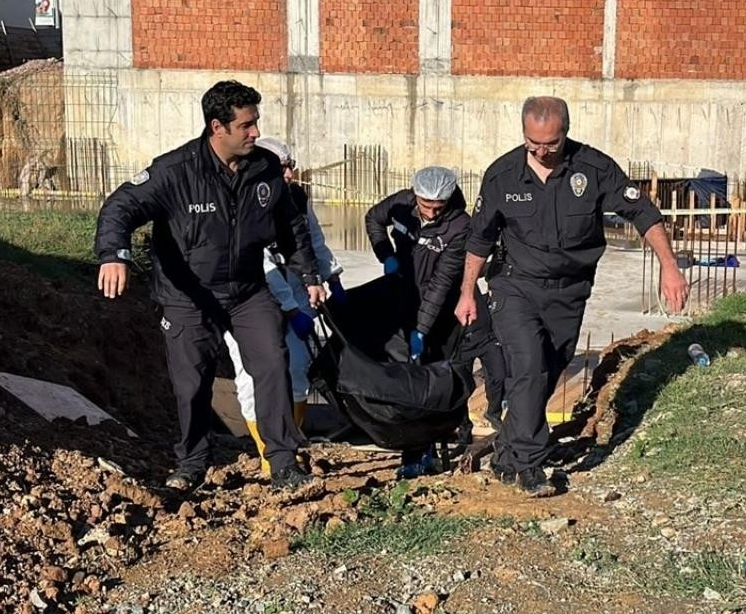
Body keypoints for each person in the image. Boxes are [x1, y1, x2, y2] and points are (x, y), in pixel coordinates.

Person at [94, 81, 325, 493]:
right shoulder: (176, 171)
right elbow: (121, 206)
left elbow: (291, 227)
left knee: (274, 364)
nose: (255, 132)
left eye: (256, 123)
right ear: (218, 126)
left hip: (248, 291)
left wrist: (309, 276)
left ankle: (283, 463)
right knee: (192, 382)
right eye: (247, 125)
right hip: (188, 296)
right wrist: (114, 254)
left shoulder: (266, 169)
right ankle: (192, 464)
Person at [456, 96, 688, 497]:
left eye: (551, 144)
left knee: (549, 370)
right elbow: (479, 238)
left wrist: (669, 265)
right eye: (533, 144)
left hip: (570, 290)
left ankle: (507, 455)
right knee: (528, 365)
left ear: (565, 132)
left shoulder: (593, 169)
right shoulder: (502, 175)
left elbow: (643, 213)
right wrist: (467, 293)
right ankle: (530, 465)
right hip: (515, 285)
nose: (542, 152)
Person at [364, 166, 505, 477]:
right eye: (424, 205)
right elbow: (374, 219)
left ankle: (431, 448)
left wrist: (422, 329)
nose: (429, 213)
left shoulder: (459, 227)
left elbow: (442, 284)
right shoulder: (403, 204)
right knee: (407, 382)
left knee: (432, 381)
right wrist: (385, 253)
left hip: (439, 311)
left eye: (437, 207)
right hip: (402, 296)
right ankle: (412, 454)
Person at [223, 136, 345, 476]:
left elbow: (311, 239)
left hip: (294, 286)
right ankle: (267, 455)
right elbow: (260, 263)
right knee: (251, 375)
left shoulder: (294, 197)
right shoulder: (241, 201)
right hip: (247, 297)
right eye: (283, 168)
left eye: (291, 166)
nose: (290, 175)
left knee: (297, 368)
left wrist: (330, 275)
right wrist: (290, 308)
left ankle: (292, 446)